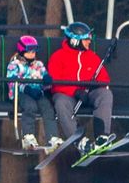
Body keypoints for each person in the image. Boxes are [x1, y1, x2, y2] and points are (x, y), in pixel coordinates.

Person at [46, 22, 114, 153]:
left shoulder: (91, 57)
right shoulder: (58, 57)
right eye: (86, 39)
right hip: (68, 95)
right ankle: (79, 140)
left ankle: (102, 136)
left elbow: (104, 79)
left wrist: (93, 86)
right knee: (60, 102)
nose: (89, 41)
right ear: (75, 40)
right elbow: (54, 83)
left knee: (105, 94)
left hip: (88, 93)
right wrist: (74, 91)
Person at [5, 35, 53, 148]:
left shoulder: (38, 65)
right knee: (30, 107)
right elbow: (12, 82)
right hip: (21, 94)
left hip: (37, 92)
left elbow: (44, 78)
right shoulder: (14, 65)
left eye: (34, 51)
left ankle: (52, 136)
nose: (32, 54)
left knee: (47, 108)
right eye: (29, 51)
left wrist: (47, 82)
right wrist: (26, 89)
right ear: (22, 51)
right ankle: (28, 135)